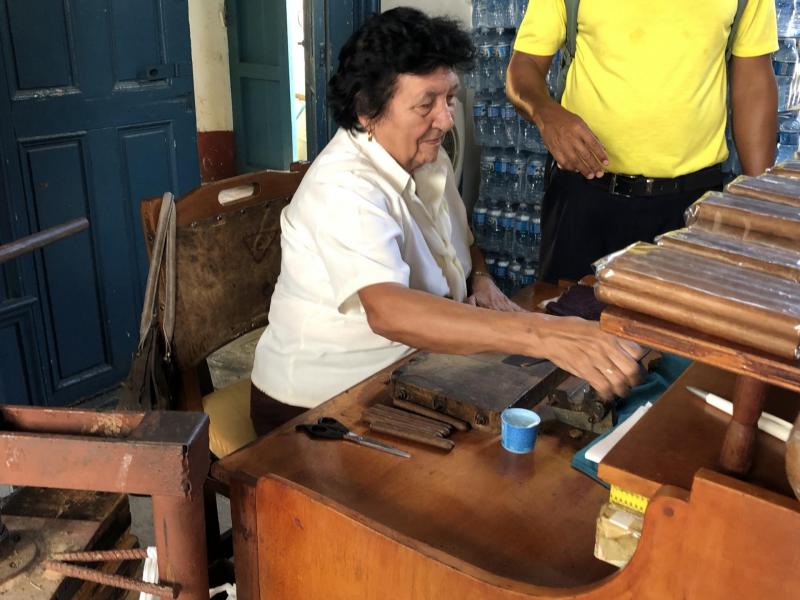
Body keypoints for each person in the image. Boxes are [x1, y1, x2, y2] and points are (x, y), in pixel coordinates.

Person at [249, 7, 640, 435]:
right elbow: (390, 312)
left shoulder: (422, 158)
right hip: (320, 406)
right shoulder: (345, 186)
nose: (446, 118)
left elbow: (462, 242)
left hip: (413, 369)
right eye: (426, 104)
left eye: (449, 97)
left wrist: (479, 278)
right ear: (367, 110)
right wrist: (541, 332)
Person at [506, 0, 778, 283]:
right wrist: (547, 113)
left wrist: (760, 208)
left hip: (691, 208)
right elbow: (524, 65)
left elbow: (754, 82)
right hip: (584, 196)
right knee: (566, 322)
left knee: (679, 324)